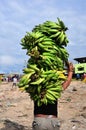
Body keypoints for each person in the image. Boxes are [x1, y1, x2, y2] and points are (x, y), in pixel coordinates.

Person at [32, 62, 74, 130]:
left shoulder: (35, 87)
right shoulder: (54, 89)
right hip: (52, 121)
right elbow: (66, 83)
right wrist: (71, 71)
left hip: (39, 121)